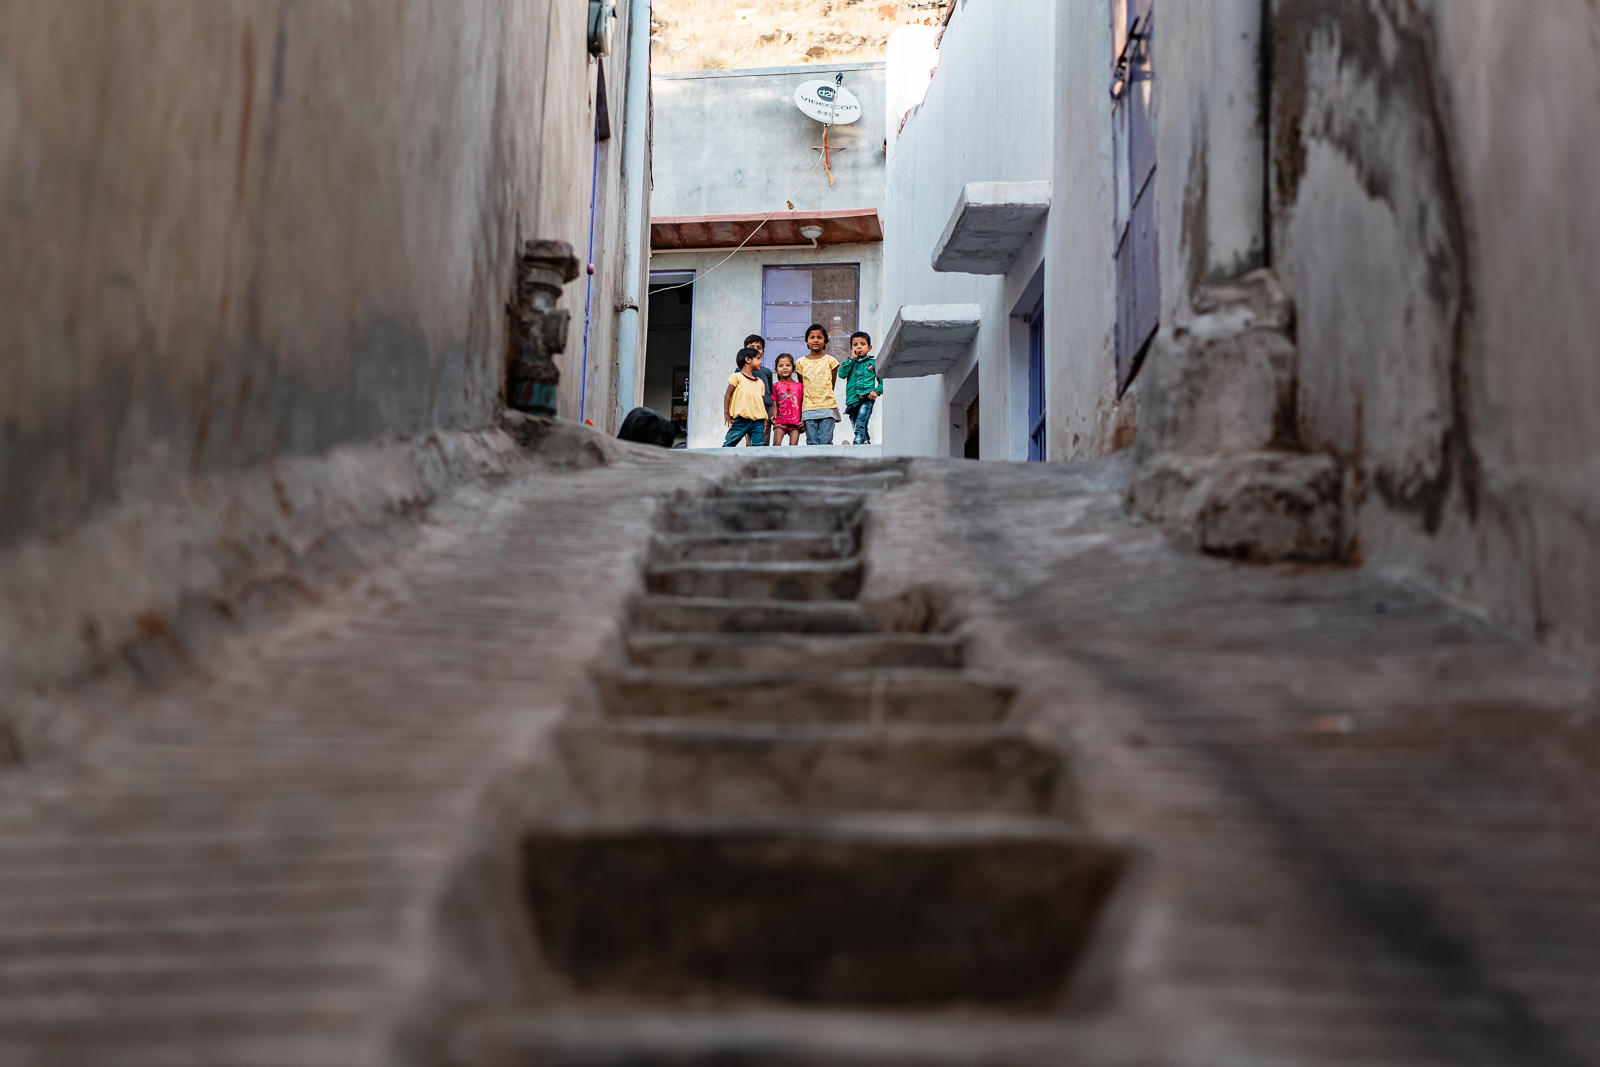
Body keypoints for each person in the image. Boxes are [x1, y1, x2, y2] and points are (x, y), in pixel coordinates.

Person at [794, 324, 841, 445]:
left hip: (827, 407)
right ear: (807, 341)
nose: (815, 340)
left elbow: (831, 385)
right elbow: (802, 386)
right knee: (812, 442)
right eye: (812, 337)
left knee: (826, 441)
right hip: (808, 409)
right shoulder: (800, 362)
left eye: (819, 337)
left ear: (825, 341)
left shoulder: (831, 361)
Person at [838, 330, 883, 446]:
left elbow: (883, 381)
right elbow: (841, 374)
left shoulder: (873, 363)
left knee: (860, 424)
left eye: (863, 344)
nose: (859, 347)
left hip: (866, 399)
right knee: (857, 426)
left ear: (869, 347)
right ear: (851, 348)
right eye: (855, 344)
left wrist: (876, 391)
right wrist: (851, 359)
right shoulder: (850, 362)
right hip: (852, 401)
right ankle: (865, 443)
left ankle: (857, 444)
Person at [723, 347, 768, 447]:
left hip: (758, 422)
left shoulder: (760, 382)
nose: (761, 362)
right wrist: (726, 413)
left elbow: (761, 402)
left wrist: (765, 419)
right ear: (748, 359)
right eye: (758, 358)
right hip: (740, 420)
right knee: (729, 444)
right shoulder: (737, 377)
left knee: (758, 446)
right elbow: (727, 395)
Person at [744, 333, 778, 446]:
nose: (755, 350)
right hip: (748, 407)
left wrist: (773, 411)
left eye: (758, 347)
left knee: (764, 436)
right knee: (750, 437)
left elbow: (770, 393)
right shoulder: (740, 370)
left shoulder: (767, 371)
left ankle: (764, 455)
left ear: (762, 352)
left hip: (765, 407)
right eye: (751, 347)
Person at [770, 354, 805, 447]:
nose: (785, 368)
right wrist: (774, 415)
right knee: (776, 445)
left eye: (788, 365)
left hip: (795, 422)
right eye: (781, 366)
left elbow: (803, 403)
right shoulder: (775, 386)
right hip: (780, 421)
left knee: (793, 446)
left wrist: (803, 419)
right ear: (776, 369)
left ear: (793, 369)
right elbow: (774, 401)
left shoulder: (800, 386)